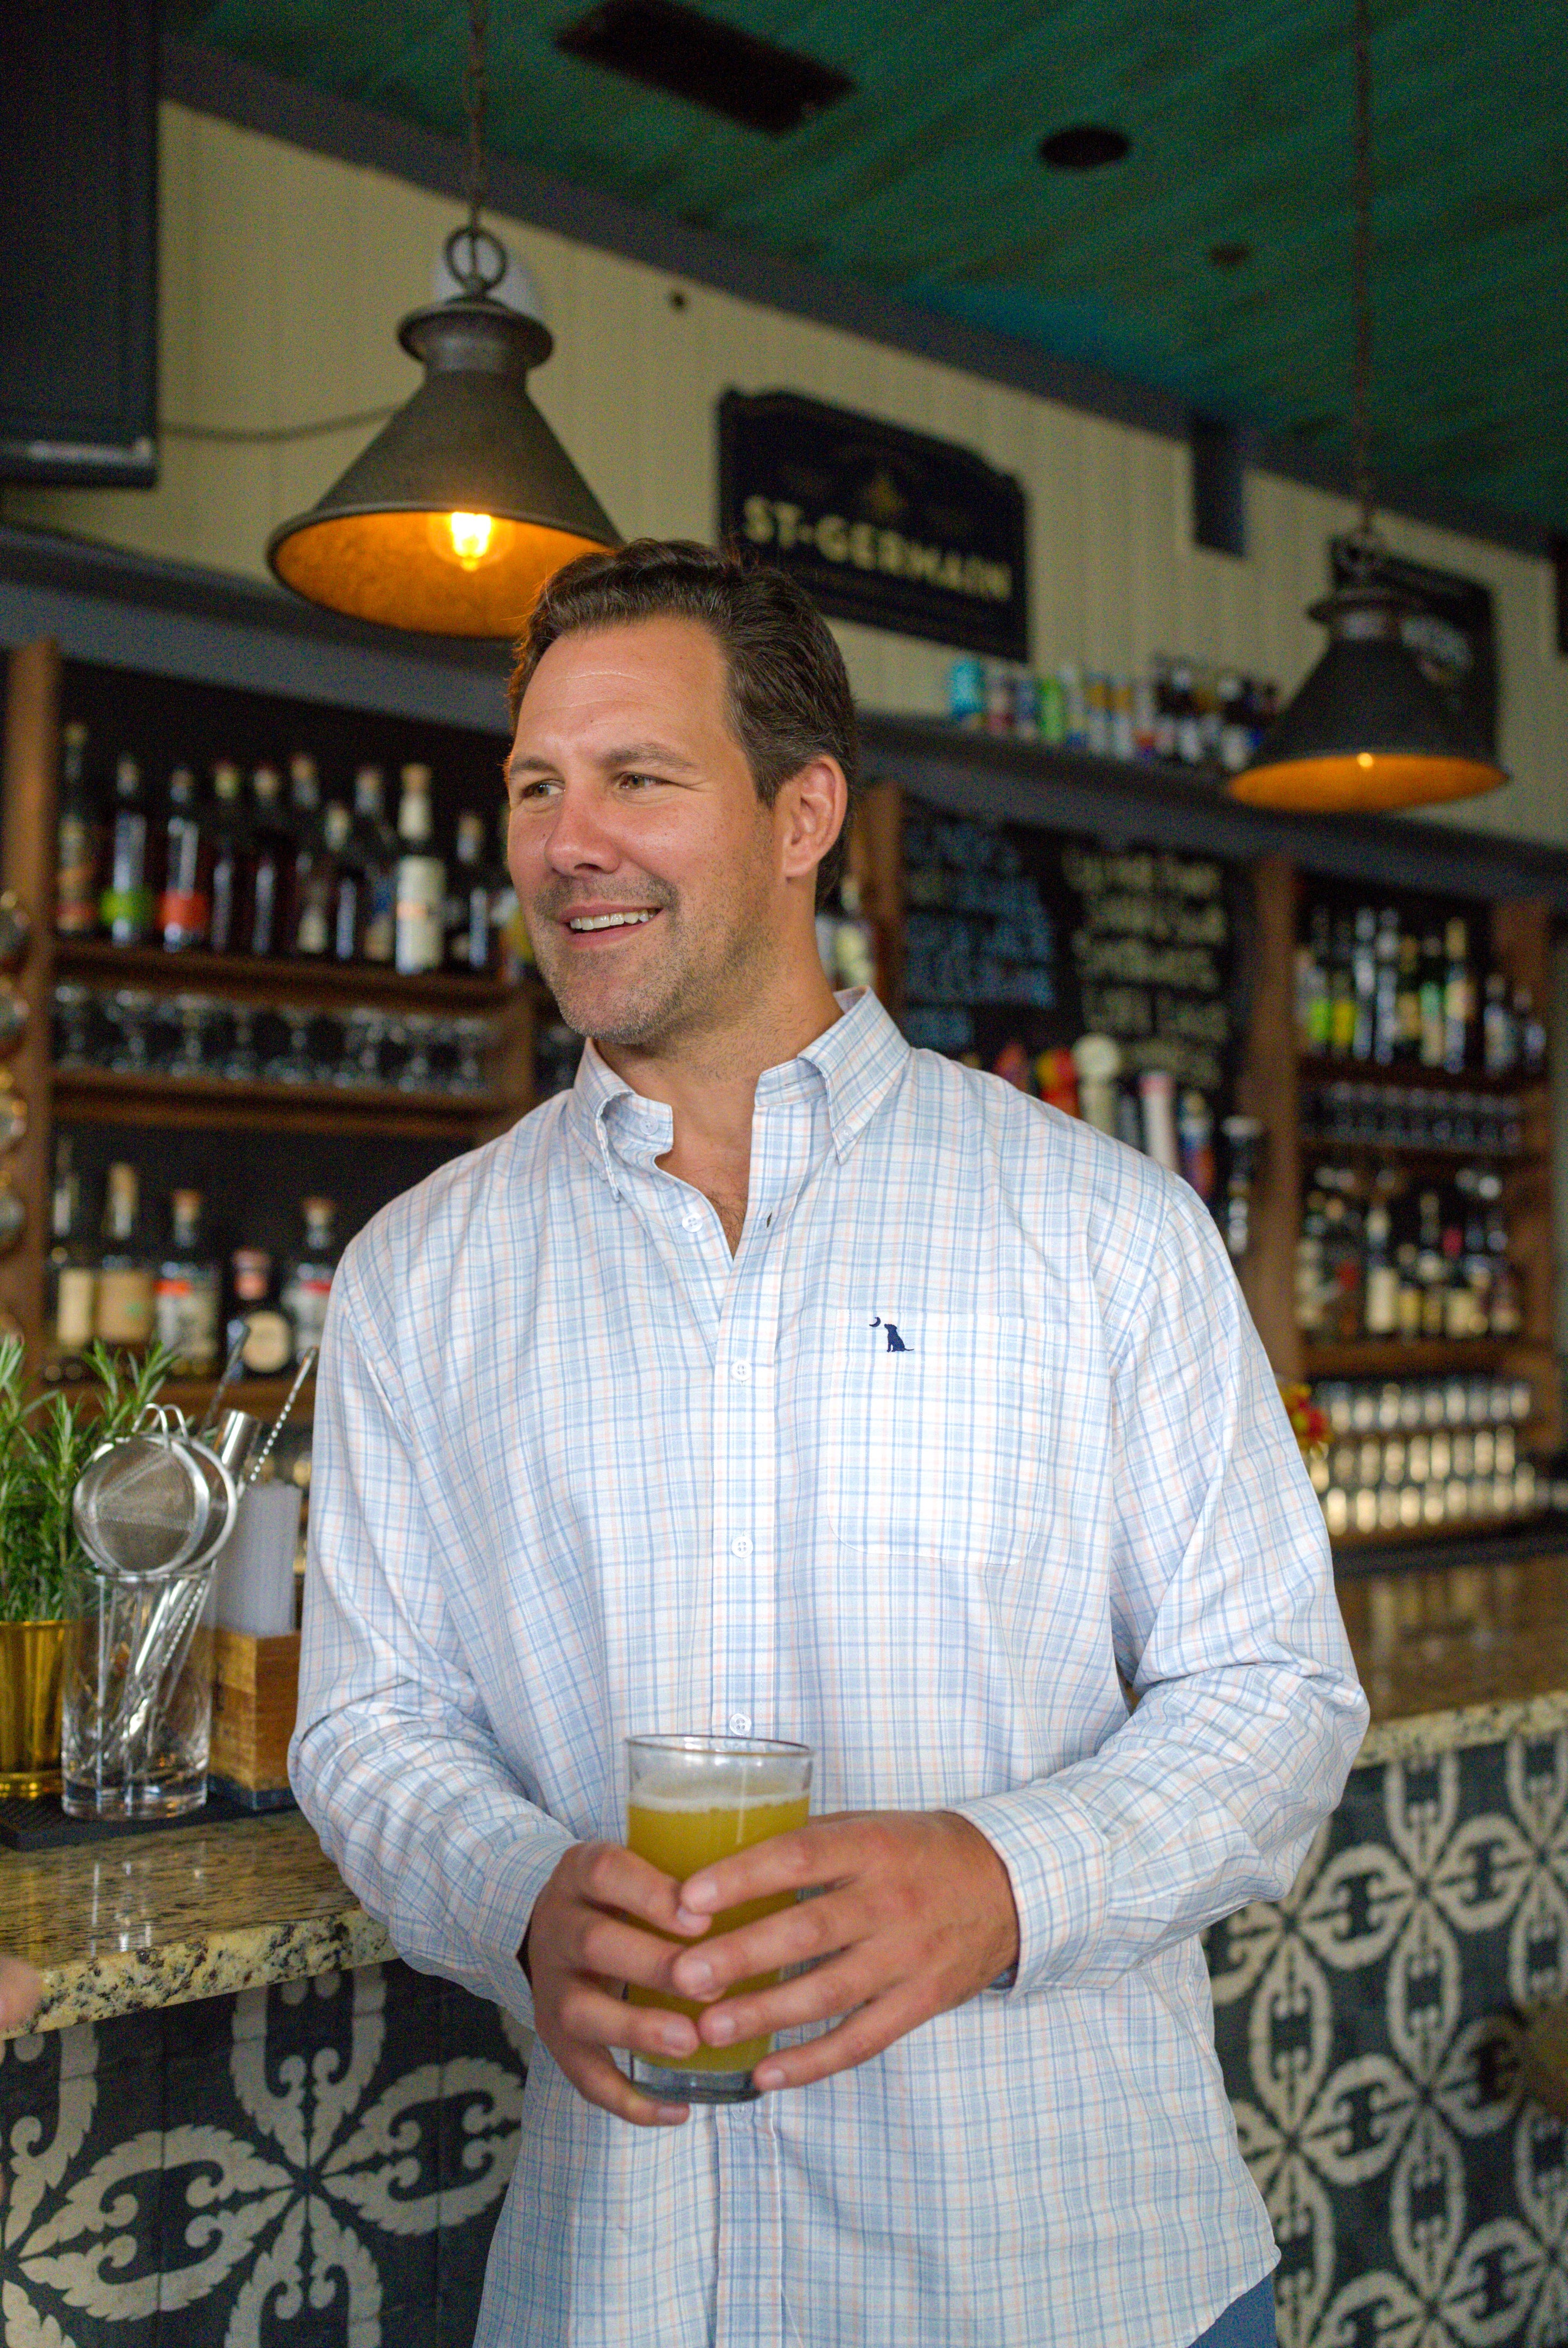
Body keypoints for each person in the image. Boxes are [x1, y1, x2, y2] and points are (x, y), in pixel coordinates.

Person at [291, 539, 1368, 2348]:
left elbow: (1275, 1694)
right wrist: (514, 1898)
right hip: (618, 2285)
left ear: (803, 815)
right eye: (538, 787)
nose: (569, 843)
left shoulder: (1099, 1228)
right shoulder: (421, 1273)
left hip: (1069, 2274)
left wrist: (1005, 1880)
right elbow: (370, 1723)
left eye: (640, 778)